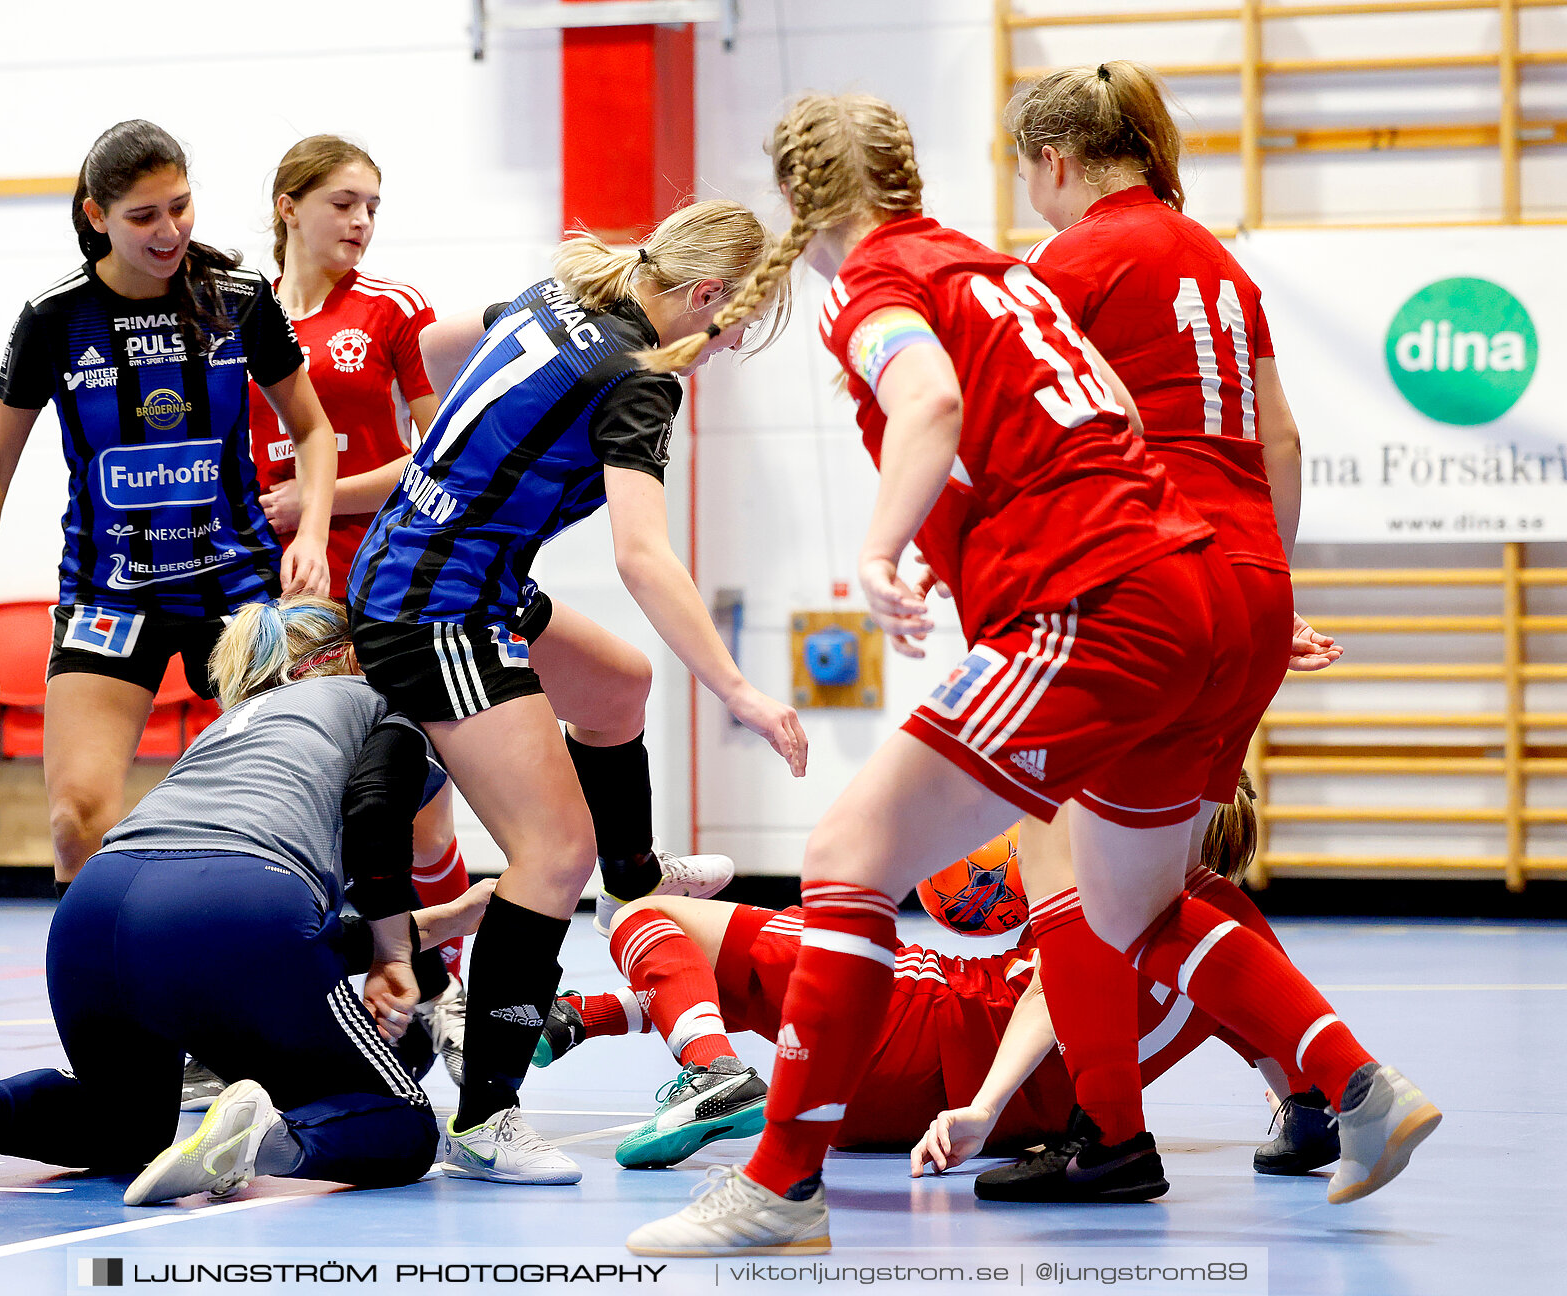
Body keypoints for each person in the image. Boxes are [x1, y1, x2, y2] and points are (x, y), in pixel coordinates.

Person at [626, 94, 1436, 1257]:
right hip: (1209, 588)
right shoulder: (1000, 266)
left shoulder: (884, 285)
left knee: (847, 856)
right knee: (1128, 908)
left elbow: (931, 403)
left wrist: (876, 550)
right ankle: (1354, 1088)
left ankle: (780, 1188)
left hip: (1100, 604)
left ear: (803, 202)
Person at [347, 199, 809, 1185]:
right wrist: (741, 692)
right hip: (437, 607)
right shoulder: (641, 378)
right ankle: (487, 1115)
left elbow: (433, 350)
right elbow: (644, 557)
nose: (717, 354)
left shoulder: (568, 286)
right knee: (553, 853)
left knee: (618, 687)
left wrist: (466, 463)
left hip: (451, 568)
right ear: (704, 297)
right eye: (725, 334)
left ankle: (635, 877)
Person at [960, 60, 1356, 1204]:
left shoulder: (1067, 262)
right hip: (1244, 581)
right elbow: (1280, 444)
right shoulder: (1222, 264)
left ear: (1053, 161)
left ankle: (1114, 1134)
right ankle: (1313, 1076)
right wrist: (1262, 594)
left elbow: (1031, 451)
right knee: (1156, 882)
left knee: (1076, 880)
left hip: (1141, 589)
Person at [0, 596, 483, 1203]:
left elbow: (283, 934)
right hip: (238, 903)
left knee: (124, 1125)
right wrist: (396, 955)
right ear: (349, 654)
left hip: (93, 909)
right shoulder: (381, 706)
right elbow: (372, 820)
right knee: (400, 1122)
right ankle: (263, 1139)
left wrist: (442, 922)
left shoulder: (231, 727)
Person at [534, 787, 1336, 1177]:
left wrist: (982, 1107)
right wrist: (1297, 1112)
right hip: (923, 1116)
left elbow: (1047, 993)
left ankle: (704, 1064)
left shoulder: (1126, 892)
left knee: (648, 913)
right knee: (747, 977)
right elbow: (1288, 1087)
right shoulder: (1231, 954)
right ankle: (587, 1016)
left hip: (928, 1018)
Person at [0, 120, 337, 892]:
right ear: (96, 216)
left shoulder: (237, 298)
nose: (170, 231)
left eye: (181, 207)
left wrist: (315, 536)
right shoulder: (55, 320)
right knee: (75, 822)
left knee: (293, 804)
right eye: (143, 217)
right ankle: (99, 998)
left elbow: (314, 430)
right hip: (109, 596)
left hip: (238, 591)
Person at [244, 133, 471, 1089]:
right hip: (275, 601)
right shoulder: (240, 315)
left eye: (373, 205)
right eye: (343, 203)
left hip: (379, 584)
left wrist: (320, 501)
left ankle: (447, 986)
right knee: (302, 808)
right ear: (288, 205)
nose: (363, 223)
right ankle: (313, 1004)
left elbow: (437, 449)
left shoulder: (391, 311)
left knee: (413, 802)